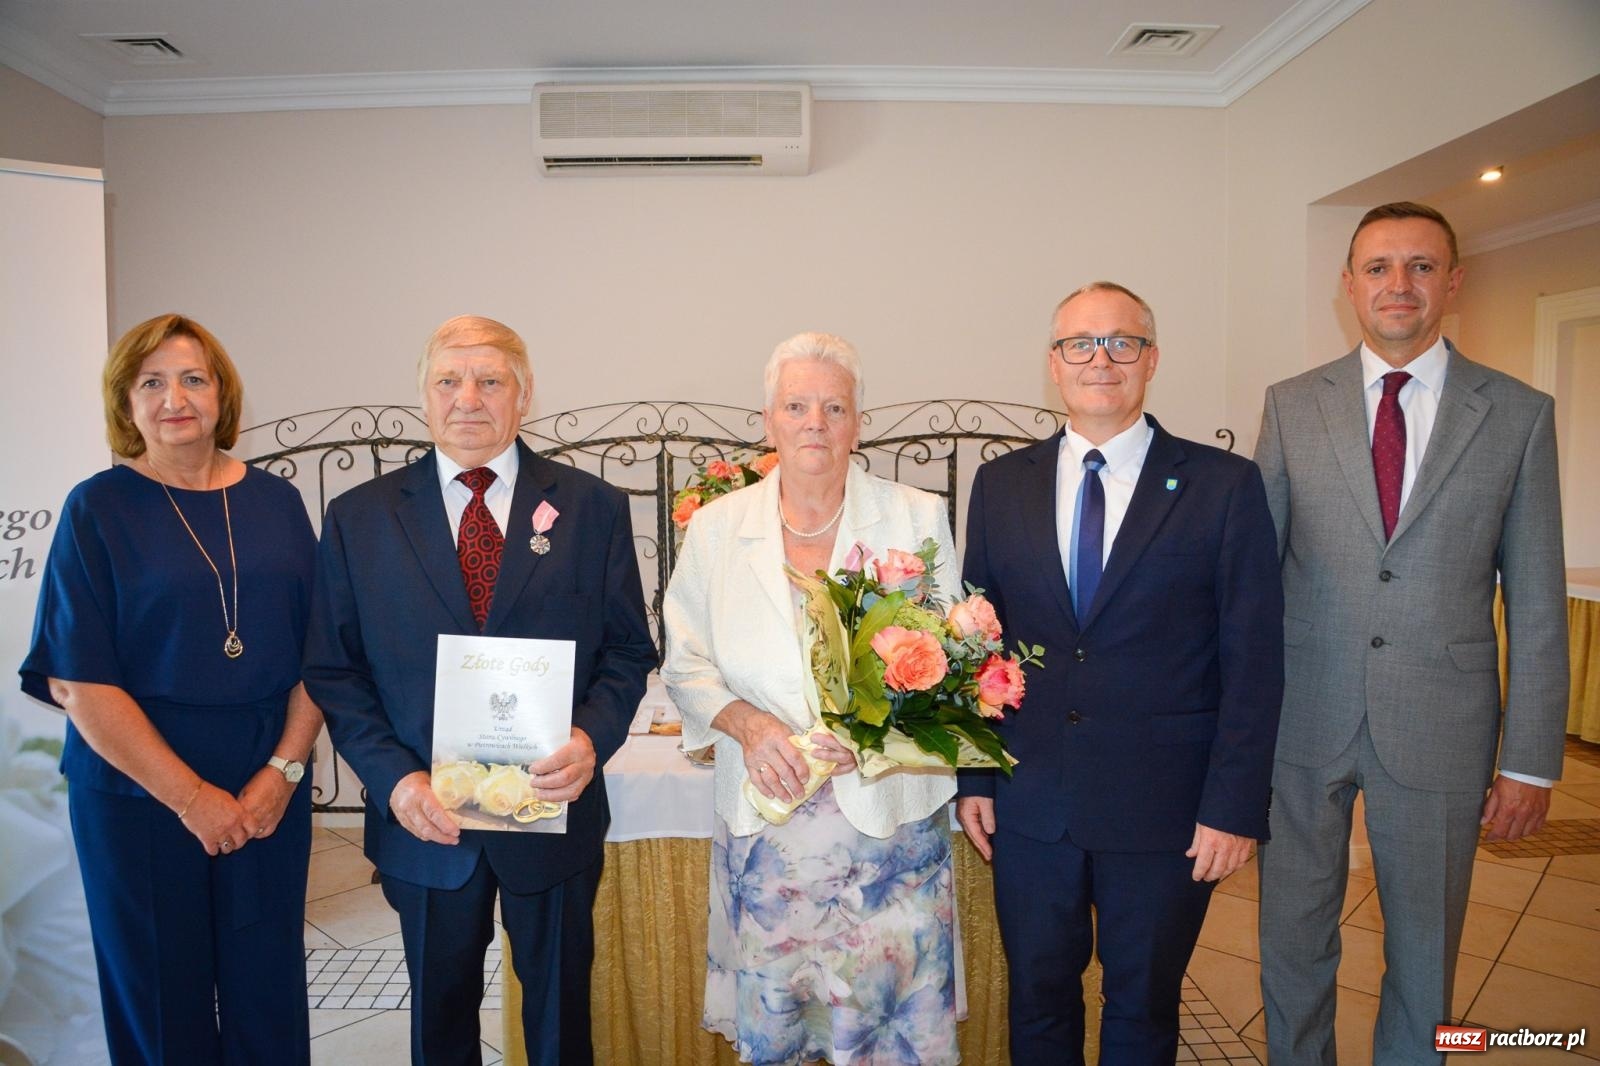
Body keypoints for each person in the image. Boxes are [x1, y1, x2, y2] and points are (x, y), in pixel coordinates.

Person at [1254, 202, 1568, 1064]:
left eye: (1422, 267)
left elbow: (1537, 600)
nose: (1400, 285)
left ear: (1453, 283)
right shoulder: (1290, 406)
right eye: (1380, 267)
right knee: (1292, 937)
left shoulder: (1519, 414)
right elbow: (1251, 582)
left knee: (1426, 951)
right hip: (1301, 719)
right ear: (1348, 285)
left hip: (1442, 725)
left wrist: (1530, 759)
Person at [302, 314, 654, 1066]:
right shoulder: (359, 518)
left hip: (551, 812)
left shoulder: (593, 508)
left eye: (490, 381)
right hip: (425, 817)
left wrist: (591, 739)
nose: (469, 399)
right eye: (448, 381)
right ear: (423, 399)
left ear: (523, 396)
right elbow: (334, 669)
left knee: (561, 1019)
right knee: (440, 1018)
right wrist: (394, 781)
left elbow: (627, 650)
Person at [956, 283, 1284, 1064]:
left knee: (1142, 1008)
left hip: (1166, 810)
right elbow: (976, 646)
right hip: (1030, 803)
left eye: (1122, 342)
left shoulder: (1223, 486)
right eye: (1080, 343)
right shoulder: (1001, 483)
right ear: (1054, 364)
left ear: (1152, 359)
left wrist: (1234, 807)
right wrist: (973, 776)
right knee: (1037, 999)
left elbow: (1255, 658)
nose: (1100, 359)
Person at [19, 313, 322, 1065]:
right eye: (150, 382)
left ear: (223, 394)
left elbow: (324, 652)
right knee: (159, 998)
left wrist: (282, 773)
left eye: (193, 378)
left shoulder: (277, 502)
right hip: (137, 793)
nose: (174, 397)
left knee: (268, 988)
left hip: (265, 782)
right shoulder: (97, 508)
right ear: (126, 404)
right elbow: (79, 682)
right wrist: (191, 797)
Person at [661, 331, 963, 1066]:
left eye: (834, 407)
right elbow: (685, 661)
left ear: (859, 422)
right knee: (784, 1032)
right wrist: (748, 724)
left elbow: (949, 660)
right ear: (768, 419)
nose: (815, 423)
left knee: (891, 1035)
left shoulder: (916, 518)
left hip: (888, 828)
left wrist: (869, 730)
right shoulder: (715, 527)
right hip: (770, 825)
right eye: (796, 405)